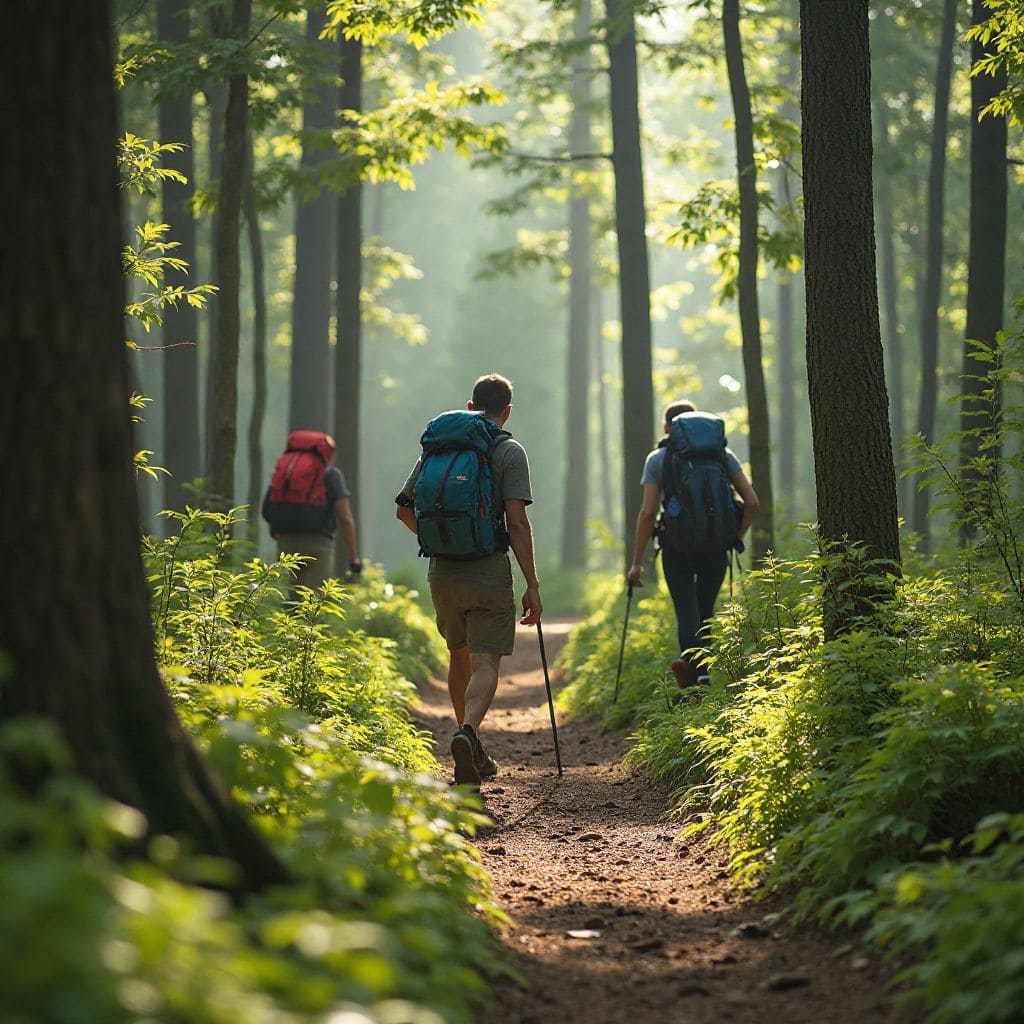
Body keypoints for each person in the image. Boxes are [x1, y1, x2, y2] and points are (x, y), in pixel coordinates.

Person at [395, 373, 542, 787]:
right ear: (507, 410)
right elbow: (516, 522)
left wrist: (437, 542)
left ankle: (468, 743)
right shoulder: (509, 450)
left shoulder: (437, 449)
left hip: (442, 572)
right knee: (485, 661)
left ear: (471, 405)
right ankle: (470, 733)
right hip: (488, 569)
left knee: (457, 655)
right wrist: (532, 583)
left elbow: (403, 507)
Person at [626, 400, 759, 688]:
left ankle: (693, 674)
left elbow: (648, 513)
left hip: (677, 548)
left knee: (686, 610)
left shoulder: (658, 458)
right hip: (716, 547)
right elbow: (752, 502)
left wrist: (637, 563)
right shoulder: (722, 455)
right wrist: (736, 538)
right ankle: (704, 673)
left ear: (668, 428)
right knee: (706, 609)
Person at [262, 430, 362, 595]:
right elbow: (345, 519)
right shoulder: (331, 474)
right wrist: (354, 558)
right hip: (319, 546)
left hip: (286, 543)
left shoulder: (284, 472)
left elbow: (271, 506)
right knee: (313, 603)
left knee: (290, 601)